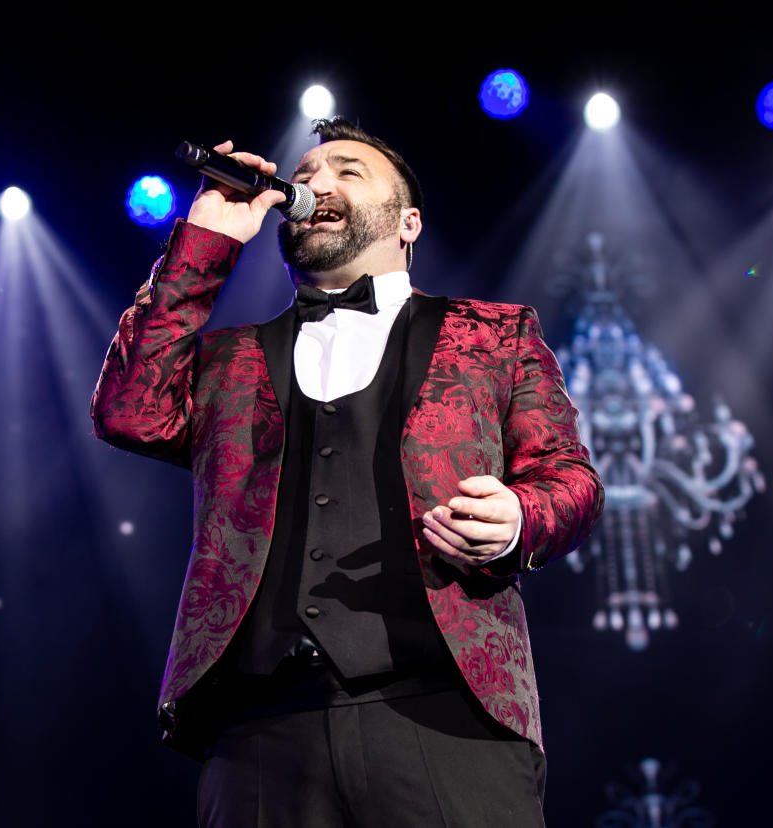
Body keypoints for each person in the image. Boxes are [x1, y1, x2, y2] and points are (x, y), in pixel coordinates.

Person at [91, 118, 603, 827]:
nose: (315, 184)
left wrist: (520, 519)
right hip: (259, 733)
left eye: (347, 171)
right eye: (302, 177)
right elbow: (127, 412)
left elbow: (569, 479)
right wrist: (203, 243)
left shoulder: (495, 335)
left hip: (446, 717)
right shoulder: (226, 360)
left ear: (409, 222)